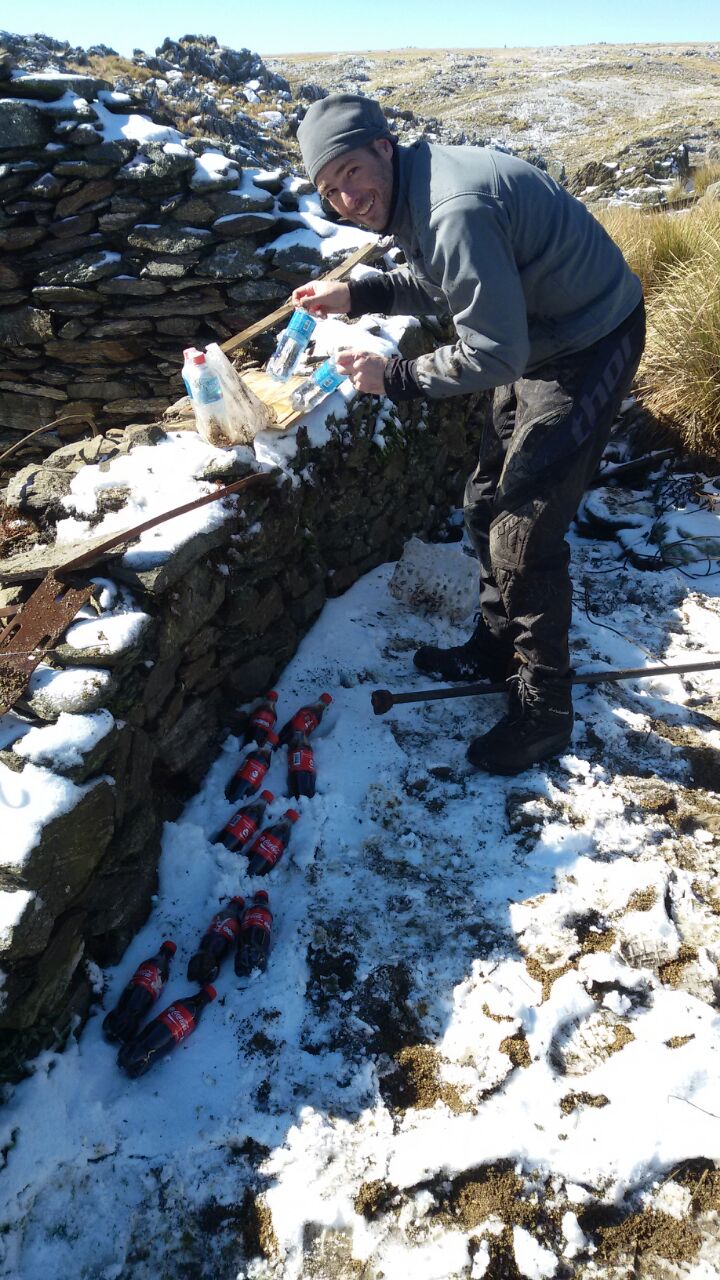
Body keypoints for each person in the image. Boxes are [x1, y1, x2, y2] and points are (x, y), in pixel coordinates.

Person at [292, 94, 645, 775]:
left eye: (351, 172)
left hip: (591, 339)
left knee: (523, 532)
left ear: (383, 147)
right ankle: (495, 649)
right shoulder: (414, 189)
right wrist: (358, 295)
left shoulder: (452, 206)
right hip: (537, 339)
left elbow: (493, 353)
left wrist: (396, 376)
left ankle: (545, 709)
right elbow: (445, 280)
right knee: (485, 502)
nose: (346, 198)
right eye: (330, 189)